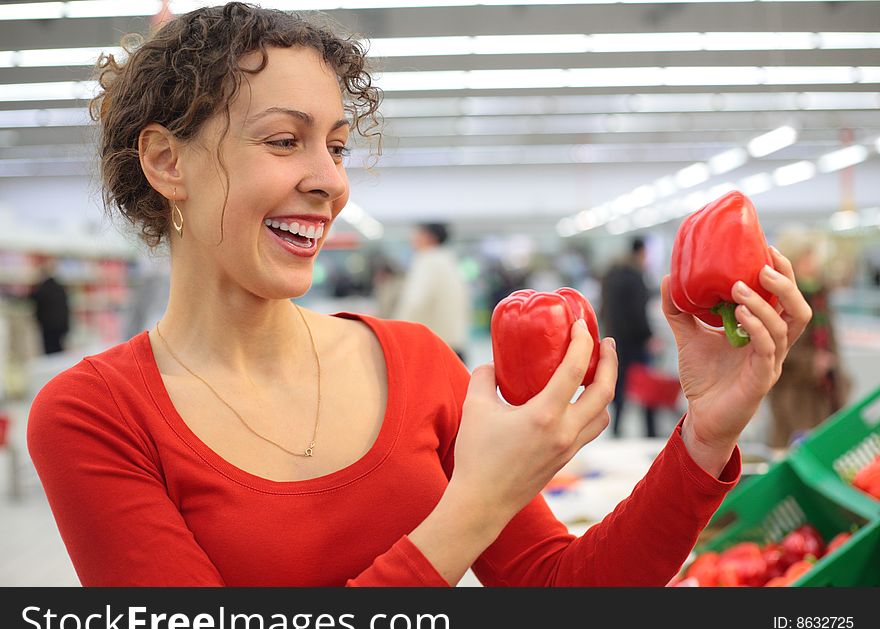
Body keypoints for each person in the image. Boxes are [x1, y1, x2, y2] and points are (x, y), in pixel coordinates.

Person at [26, 3, 812, 587]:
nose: (329, 180)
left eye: (336, 146)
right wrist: (473, 505)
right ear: (167, 162)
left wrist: (706, 434)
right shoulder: (95, 416)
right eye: (283, 140)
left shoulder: (414, 365)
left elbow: (562, 592)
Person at [768, 236, 851, 451]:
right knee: (796, 452)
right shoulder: (777, 299)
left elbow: (829, 342)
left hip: (825, 391)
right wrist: (811, 362)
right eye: (806, 257)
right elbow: (773, 346)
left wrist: (841, 377)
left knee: (827, 449)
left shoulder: (819, 295)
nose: (812, 262)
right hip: (794, 395)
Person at [599, 237, 656, 437]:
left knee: (619, 384)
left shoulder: (610, 275)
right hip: (635, 341)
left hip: (615, 339)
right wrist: (648, 336)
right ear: (641, 252)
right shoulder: (635, 276)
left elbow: (603, 308)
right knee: (645, 386)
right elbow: (638, 311)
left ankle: (616, 429)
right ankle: (650, 431)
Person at [393, 222, 471, 363]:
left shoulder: (427, 261)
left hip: (433, 347)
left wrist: (397, 333)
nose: (412, 238)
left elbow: (416, 302)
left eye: (417, 234)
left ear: (429, 237)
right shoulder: (449, 260)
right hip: (453, 342)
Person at [29, 256, 71, 355]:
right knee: (58, 347)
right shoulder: (60, 287)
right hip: (60, 323)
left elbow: (33, 298)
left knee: (50, 348)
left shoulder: (44, 287)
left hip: (49, 324)